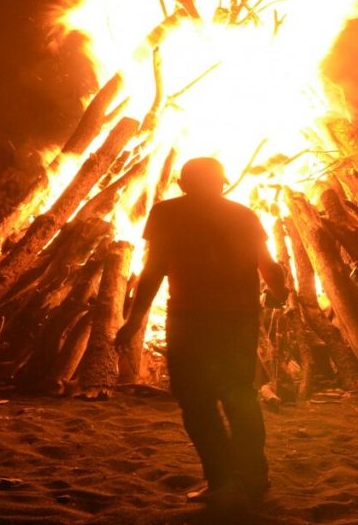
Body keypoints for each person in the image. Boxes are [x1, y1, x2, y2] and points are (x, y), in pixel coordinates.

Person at [113, 157, 287, 507]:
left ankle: (222, 478)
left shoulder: (167, 213)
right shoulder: (243, 215)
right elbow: (267, 264)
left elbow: (154, 270)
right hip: (235, 318)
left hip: (191, 318)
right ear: (221, 182)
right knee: (238, 395)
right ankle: (252, 476)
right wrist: (280, 292)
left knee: (197, 402)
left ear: (182, 183)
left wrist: (133, 321)